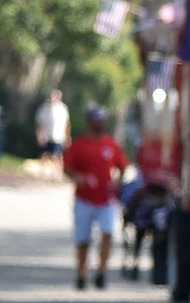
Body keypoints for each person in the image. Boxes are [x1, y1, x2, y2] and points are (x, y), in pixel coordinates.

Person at [63, 103, 130, 289]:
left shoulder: (111, 144)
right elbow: (67, 168)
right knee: (82, 240)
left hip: (106, 200)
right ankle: (81, 273)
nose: (98, 124)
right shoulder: (79, 144)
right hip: (84, 199)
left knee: (107, 233)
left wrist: (118, 181)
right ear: (89, 122)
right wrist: (79, 178)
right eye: (95, 120)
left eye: (101, 120)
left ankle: (101, 272)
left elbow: (123, 167)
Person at [35, 89, 71, 174]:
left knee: (57, 155)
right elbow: (39, 124)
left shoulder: (62, 108)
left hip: (58, 136)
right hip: (46, 136)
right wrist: (39, 135)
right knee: (45, 155)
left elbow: (66, 124)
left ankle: (57, 174)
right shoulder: (44, 108)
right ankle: (42, 173)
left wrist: (67, 136)